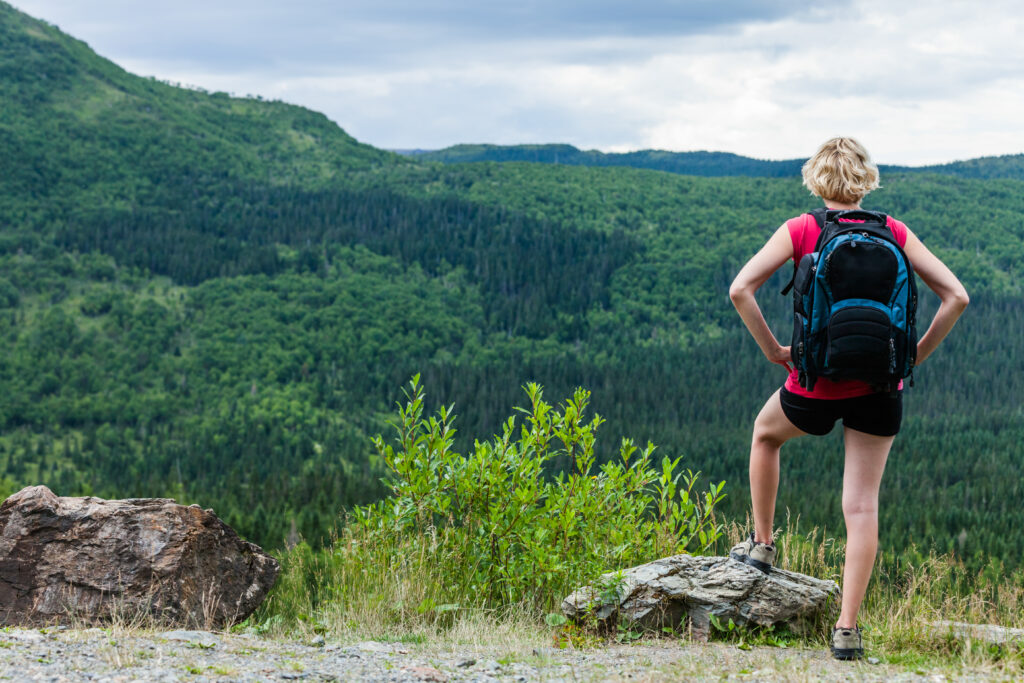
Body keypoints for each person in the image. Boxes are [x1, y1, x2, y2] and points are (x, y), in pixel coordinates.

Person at [727, 137, 969, 660]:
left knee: (765, 435)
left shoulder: (803, 229)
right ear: (866, 180)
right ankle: (846, 630)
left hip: (815, 382)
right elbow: (957, 297)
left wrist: (774, 351)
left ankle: (762, 545)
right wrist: (913, 357)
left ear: (815, 179)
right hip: (881, 387)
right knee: (861, 505)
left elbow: (740, 289)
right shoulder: (895, 232)